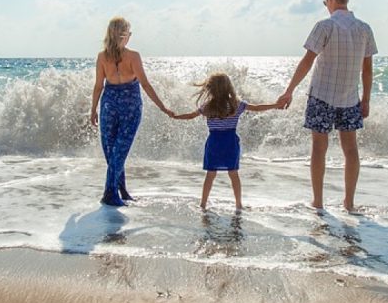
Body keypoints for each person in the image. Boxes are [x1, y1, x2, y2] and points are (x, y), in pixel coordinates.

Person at [275, 0, 377, 212]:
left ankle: (318, 202)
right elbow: (368, 70)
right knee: (350, 150)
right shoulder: (364, 29)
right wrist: (367, 99)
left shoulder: (324, 26)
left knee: (319, 149)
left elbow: (307, 61)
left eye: (325, 2)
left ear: (330, 0)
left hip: (322, 95)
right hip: (350, 98)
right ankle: (349, 203)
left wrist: (289, 89)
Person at [90, 17, 172, 207]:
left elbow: (98, 86)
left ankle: (121, 190)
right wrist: (162, 107)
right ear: (125, 35)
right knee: (118, 151)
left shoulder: (102, 56)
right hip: (129, 106)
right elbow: (144, 84)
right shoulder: (133, 56)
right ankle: (110, 193)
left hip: (109, 104)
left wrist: (93, 109)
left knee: (114, 151)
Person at [170, 72, 279, 210]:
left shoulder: (207, 106)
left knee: (210, 174)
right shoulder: (236, 105)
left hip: (214, 143)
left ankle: (203, 204)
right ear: (229, 87)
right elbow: (257, 108)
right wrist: (275, 105)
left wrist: (176, 116)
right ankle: (238, 204)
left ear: (210, 89)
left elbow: (191, 116)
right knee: (233, 174)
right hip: (230, 143)